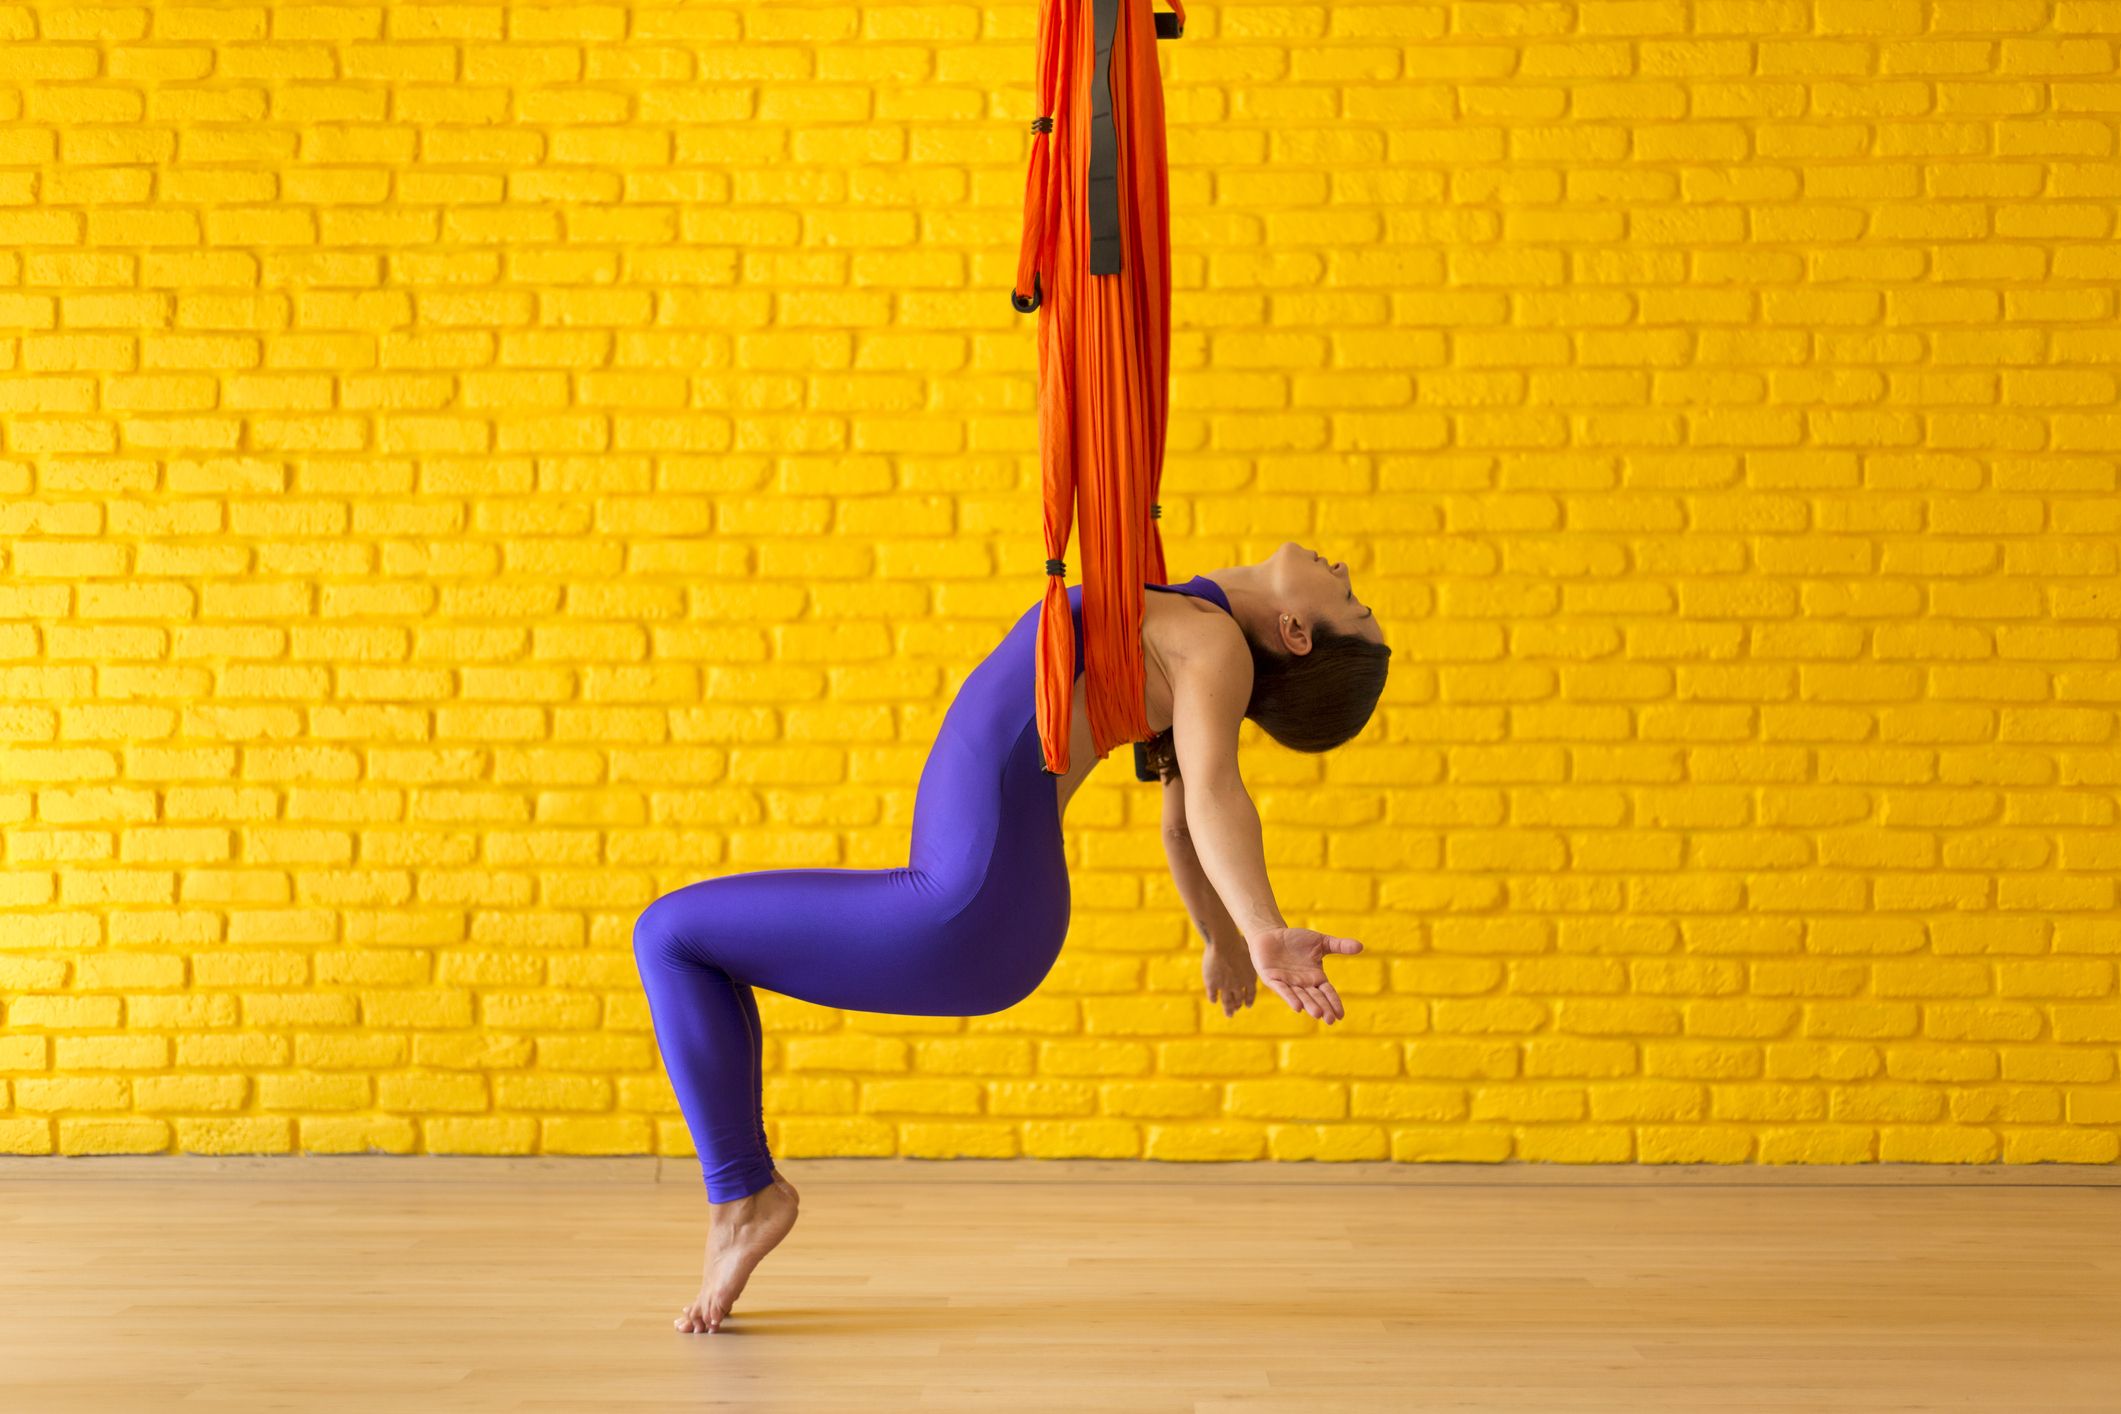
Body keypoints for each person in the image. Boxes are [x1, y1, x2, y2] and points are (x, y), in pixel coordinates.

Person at [633, 540, 1390, 1333]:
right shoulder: (1183, 613)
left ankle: (744, 1200)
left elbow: (1209, 794)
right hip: (977, 905)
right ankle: (743, 1196)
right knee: (686, 944)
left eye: (1354, 604)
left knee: (671, 936)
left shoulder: (1208, 641)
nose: (1344, 571)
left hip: (965, 909)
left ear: (1297, 632)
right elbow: (1176, 825)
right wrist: (1220, 941)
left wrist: (1258, 928)